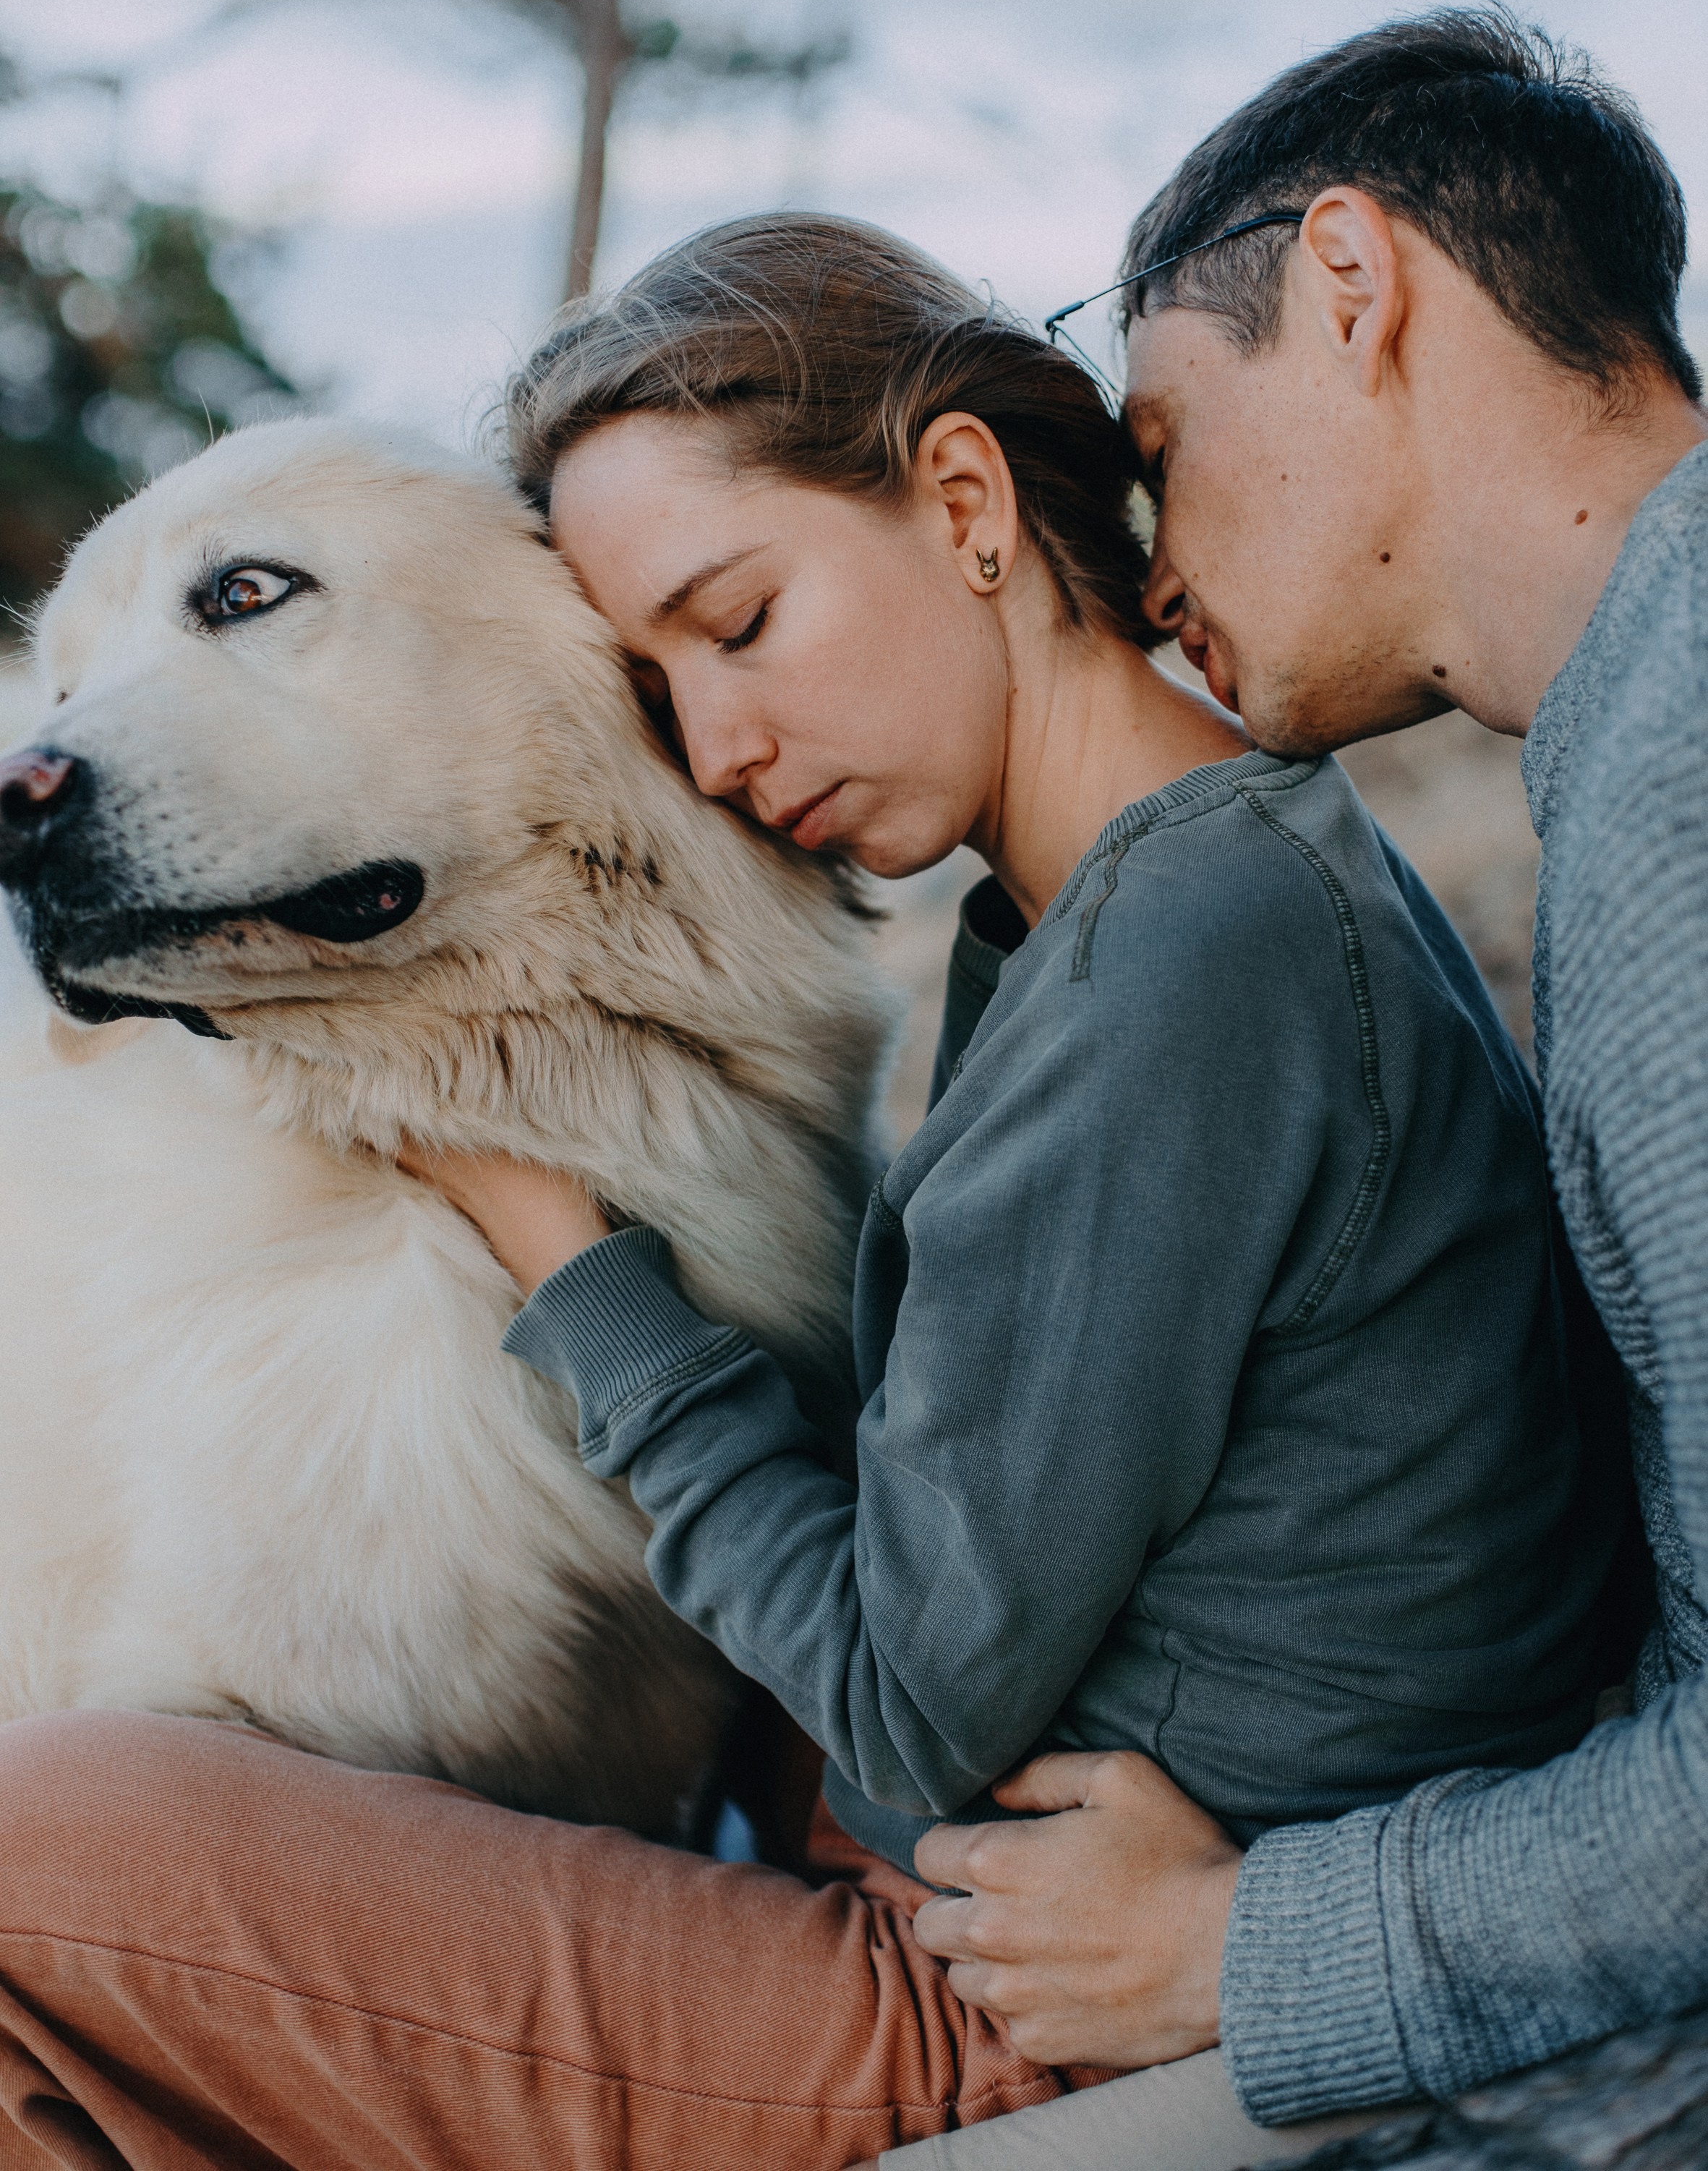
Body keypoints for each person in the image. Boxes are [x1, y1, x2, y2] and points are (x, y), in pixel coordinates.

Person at [0, 210, 1622, 2171]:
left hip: (1003, 2003)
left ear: (961, 504)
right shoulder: (1128, 907)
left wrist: (562, 1258)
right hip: (1011, 1870)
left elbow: (904, 1710)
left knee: (39, 1841)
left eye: (742, 622)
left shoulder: (1189, 963)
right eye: (661, 670)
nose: (717, 745)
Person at [898, 5, 1708, 2167]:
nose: (1141, 559)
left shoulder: (1687, 811)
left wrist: (1252, 1940)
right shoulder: (1633, 758)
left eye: (1159, 440)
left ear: (1349, 286)